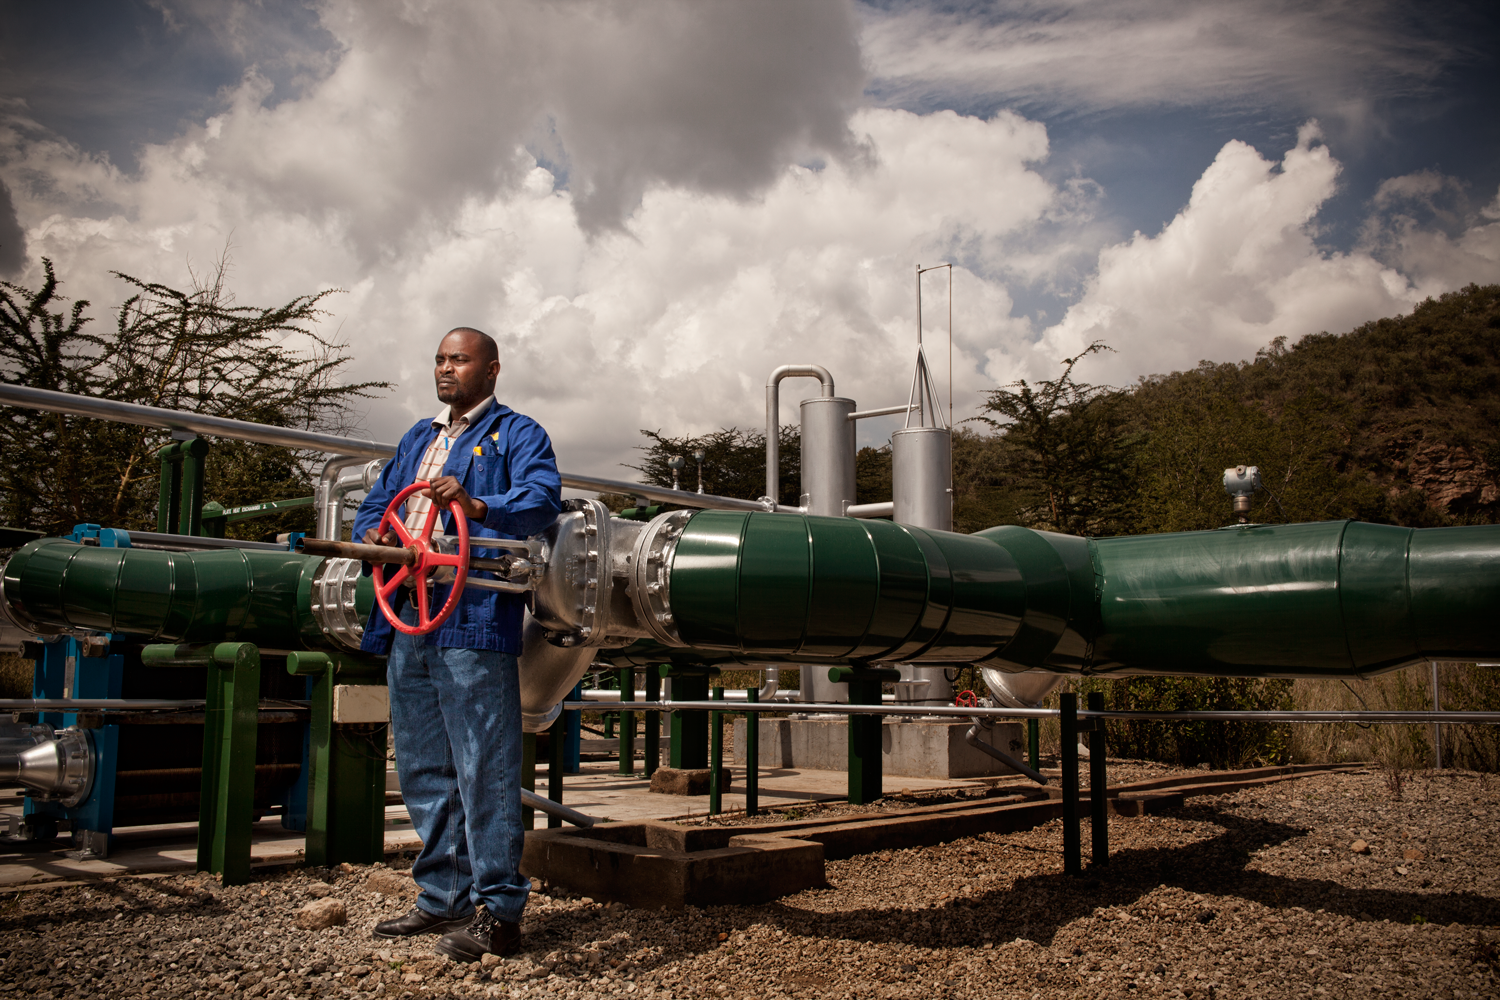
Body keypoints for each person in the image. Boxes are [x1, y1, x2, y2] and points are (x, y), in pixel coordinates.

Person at [352, 327, 561, 962]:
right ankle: (442, 897)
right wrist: (376, 543)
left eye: (459, 360)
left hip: (470, 615)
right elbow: (378, 504)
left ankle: (500, 911)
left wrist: (475, 503)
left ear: (491, 370)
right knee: (420, 763)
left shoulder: (519, 435)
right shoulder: (419, 437)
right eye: (440, 359)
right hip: (410, 614)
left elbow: (539, 500)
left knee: (483, 764)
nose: (446, 369)